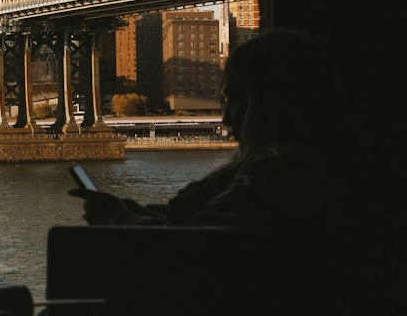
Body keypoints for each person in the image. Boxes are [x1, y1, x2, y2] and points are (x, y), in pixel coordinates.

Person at [69, 27, 329, 230]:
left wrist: (117, 219)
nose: (226, 119)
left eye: (234, 98)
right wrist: (132, 210)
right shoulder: (292, 170)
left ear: (271, 101)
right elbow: (192, 220)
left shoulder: (275, 178)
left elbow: (192, 245)